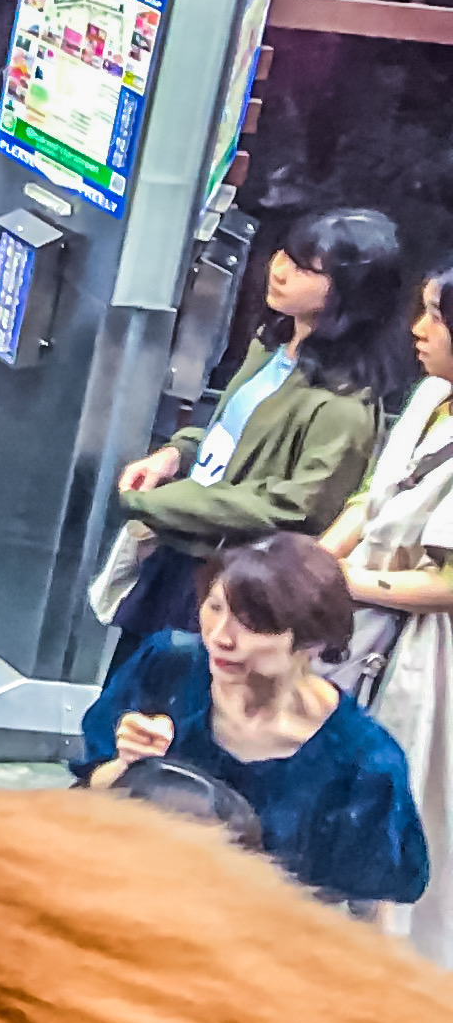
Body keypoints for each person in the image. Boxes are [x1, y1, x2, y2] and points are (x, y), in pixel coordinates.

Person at [95, 208, 416, 648]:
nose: (279, 270)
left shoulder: (344, 405)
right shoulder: (272, 347)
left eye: (304, 269)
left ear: (350, 293)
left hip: (233, 586)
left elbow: (296, 507)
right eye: (284, 254)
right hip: (183, 554)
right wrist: (176, 454)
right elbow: (230, 435)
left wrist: (169, 503)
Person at [78, 533, 431, 914]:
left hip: (253, 939)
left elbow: (367, 904)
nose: (220, 636)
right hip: (121, 904)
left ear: (312, 640)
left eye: (253, 624)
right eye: (214, 607)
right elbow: (87, 791)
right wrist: (126, 764)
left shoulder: (363, 762)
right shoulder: (168, 665)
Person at [330, 255, 453, 964]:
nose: (419, 330)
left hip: (427, 653)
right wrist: (317, 562)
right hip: (358, 619)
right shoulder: (428, 396)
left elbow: (447, 583)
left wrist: (353, 582)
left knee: (411, 800)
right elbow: (370, 499)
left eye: (436, 315)